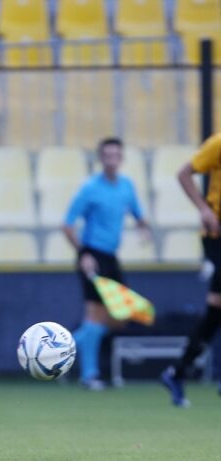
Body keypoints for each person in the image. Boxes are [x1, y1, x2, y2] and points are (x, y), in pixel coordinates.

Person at [62, 137, 151, 391]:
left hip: (111, 258)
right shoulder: (90, 188)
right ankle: (89, 375)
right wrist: (83, 254)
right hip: (92, 256)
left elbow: (138, 214)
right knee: (95, 314)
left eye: (116, 156)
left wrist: (144, 229)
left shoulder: (127, 186)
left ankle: (64, 348)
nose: (111, 160)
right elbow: (67, 225)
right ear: (101, 159)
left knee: (121, 316)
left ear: (121, 158)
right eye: (107, 156)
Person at [161, 132, 221, 407]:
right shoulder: (218, 144)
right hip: (216, 234)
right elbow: (184, 173)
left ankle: (176, 373)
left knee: (215, 312)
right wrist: (204, 209)